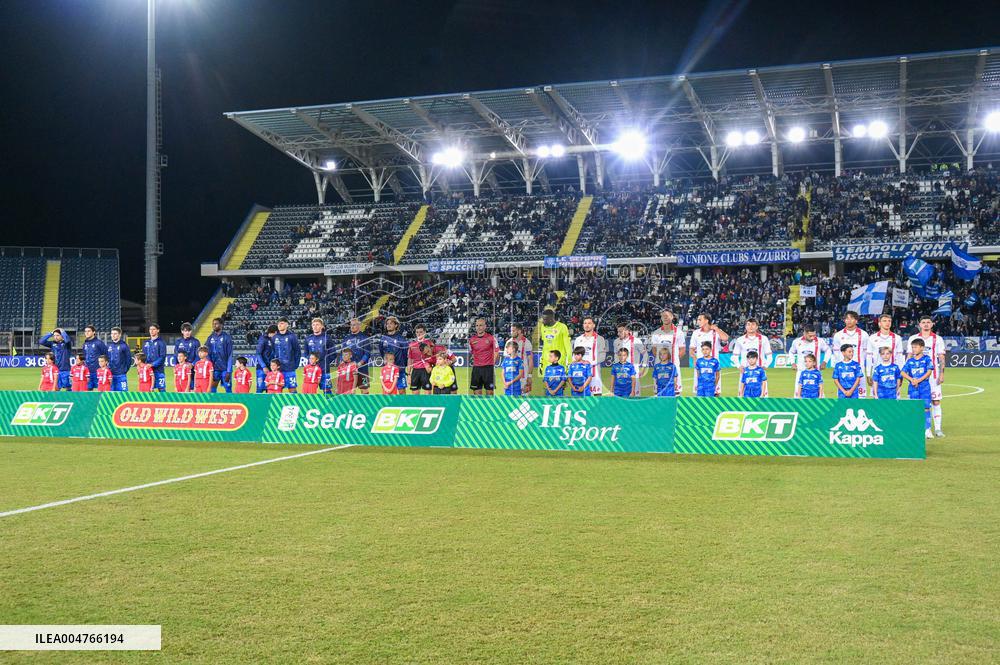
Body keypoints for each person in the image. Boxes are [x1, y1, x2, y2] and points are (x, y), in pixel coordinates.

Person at [907, 316, 946, 437]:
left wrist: (942, 373)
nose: (926, 324)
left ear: (932, 324)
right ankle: (920, 428)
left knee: (935, 401)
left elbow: (941, 358)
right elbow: (909, 356)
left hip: (933, 377)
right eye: (923, 322)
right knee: (917, 403)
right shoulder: (913, 338)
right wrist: (909, 376)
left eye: (928, 322)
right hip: (916, 378)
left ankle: (938, 429)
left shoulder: (937, 339)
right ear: (919, 324)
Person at [902, 338, 935, 439]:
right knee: (914, 408)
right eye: (912, 347)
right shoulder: (910, 361)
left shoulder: (927, 359)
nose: (913, 349)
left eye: (915, 347)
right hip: (913, 387)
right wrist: (912, 380)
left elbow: (929, 371)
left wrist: (918, 380)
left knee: (925, 407)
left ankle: (927, 429)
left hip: (924, 387)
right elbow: (903, 372)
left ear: (922, 348)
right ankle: (916, 429)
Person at [688, 314, 728, 396]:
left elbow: (725, 338)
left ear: (706, 320)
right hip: (700, 367)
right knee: (699, 393)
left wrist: (716, 328)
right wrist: (694, 358)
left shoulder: (715, 332)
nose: (697, 321)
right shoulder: (696, 333)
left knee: (716, 394)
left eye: (700, 319)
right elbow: (691, 350)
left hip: (713, 367)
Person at [866, 314, 905, 398]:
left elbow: (900, 358)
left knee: (894, 401)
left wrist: (901, 373)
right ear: (879, 323)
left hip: (893, 374)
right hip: (877, 373)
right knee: (876, 399)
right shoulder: (872, 338)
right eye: (884, 321)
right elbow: (869, 357)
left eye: (889, 321)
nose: (887, 323)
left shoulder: (897, 338)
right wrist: (868, 374)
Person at [833, 311, 870, 397]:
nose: (849, 320)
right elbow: (836, 353)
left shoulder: (864, 335)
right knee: (843, 397)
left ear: (856, 321)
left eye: (851, 318)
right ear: (844, 320)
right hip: (843, 371)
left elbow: (866, 353)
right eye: (847, 318)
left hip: (859, 371)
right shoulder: (838, 335)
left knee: (861, 397)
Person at [648, 309, 685, 394]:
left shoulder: (679, 332)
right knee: (658, 392)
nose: (665, 317)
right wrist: (662, 361)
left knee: (676, 392)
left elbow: (682, 350)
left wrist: (672, 361)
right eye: (663, 316)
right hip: (660, 367)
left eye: (667, 316)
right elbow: (654, 350)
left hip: (674, 367)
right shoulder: (656, 333)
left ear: (672, 317)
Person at [789, 325, 830, 394]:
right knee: (798, 395)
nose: (812, 337)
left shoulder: (820, 341)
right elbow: (791, 352)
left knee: (819, 395)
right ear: (804, 333)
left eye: (814, 335)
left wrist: (825, 362)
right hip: (801, 372)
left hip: (815, 373)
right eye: (810, 336)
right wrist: (792, 363)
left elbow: (828, 350)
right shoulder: (796, 342)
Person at [573, 317, 606, 397]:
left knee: (596, 396)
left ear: (593, 325)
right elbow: (574, 356)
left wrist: (590, 363)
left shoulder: (600, 339)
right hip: (580, 372)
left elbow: (603, 356)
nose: (586, 325)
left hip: (594, 372)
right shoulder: (578, 339)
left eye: (589, 323)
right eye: (585, 323)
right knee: (580, 395)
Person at [613, 322, 647, 396]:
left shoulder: (636, 341)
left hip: (634, 373)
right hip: (620, 373)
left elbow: (645, 354)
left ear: (628, 331)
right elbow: (616, 356)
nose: (618, 333)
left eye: (621, 331)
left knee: (635, 396)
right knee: (621, 396)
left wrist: (643, 368)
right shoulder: (616, 342)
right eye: (618, 331)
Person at [305, 318, 336, 395]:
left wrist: (325, 362)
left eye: (317, 325)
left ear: (322, 326)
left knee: (327, 391)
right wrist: (310, 364)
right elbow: (306, 354)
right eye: (313, 325)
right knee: (310, 391)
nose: (315, 326)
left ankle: (328, 406)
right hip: (312, 371)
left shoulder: (327, 338)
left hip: (324, 370)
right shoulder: (308, 339)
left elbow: (333, 353)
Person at [469, 317, 500, 396]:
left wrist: (491, 363)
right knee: (476, 393)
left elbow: (496, 351)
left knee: (490, 393)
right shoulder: (472, 340)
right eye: (477, 325)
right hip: (476, 369)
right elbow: (472, 352)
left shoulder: (491, 338)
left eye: (481, 325)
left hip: (488, 368)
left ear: (485, 326)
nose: (478, 327)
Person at [342, 318, 372, 395]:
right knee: (350, 391)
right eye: (351, 325)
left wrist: (359, 364)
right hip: (350, 371)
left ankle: (365, 406)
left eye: (354, 325)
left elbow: (367, 354)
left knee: (365, 391)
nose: (352, 326)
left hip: (362, 370)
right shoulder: (346, 339)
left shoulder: (365, 338)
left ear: (359, 325)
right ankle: (351, 407)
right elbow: (343, 354)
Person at [537, 308, 571, 374]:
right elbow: (545, 345)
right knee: (548, 383)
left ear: (551, 319)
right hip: (547, 362)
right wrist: (541, 361)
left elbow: (567, 345)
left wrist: (569, 361)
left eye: (545, 319)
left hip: (559, 361)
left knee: (561, 382)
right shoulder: (543, 328)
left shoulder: (562, 327)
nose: (543, 321)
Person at [379, 316, 408, 393]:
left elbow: (405, 354)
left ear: (396, 325)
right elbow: (381, 352)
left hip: (400, 369)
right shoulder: (383, 338)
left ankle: (402, 405)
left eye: (391, 323)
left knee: (401, 391)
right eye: (387, 323)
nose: (388, 325)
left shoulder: (401, 338)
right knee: (387, 392)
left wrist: (402, 366)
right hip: (388, 370)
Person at [205, 318, 234, 393]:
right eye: (213, 324)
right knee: (212, 389)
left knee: (228, 388)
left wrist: (229, 371)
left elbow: (230, 354)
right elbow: (206, 352)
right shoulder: (210, 338)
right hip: (214, 369)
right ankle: (214, 403)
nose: (214, 325)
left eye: (216, 323)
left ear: (221, 325)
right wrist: (210, 366)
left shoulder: (227, 337)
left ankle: (229, 403)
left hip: (225, 369)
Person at [273, 317, 301, 393]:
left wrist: (295, 365)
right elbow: (273, 352)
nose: (279, 325)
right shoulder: (275, 337)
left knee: (292, 389)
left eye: (281, 323)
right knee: (278, 388)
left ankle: (294, 404)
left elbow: (297, 351)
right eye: (278, 324)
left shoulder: (292, 336)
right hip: (278, 369)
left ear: (287, 325)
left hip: (290, 369)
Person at [407, 324, 435, 394]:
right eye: (417, 332)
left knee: (428, 393)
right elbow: (410, 360)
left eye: (421, 332)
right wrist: (409, 374)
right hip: (415, 371)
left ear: (425, 332)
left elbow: (434, 358)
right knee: (415, 394)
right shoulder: (412, 344)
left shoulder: (429, 343)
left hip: (426, 370)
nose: (419, 334)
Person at [80, 325, 107, 391]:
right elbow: (84, 357)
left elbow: (106, 355)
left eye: (89, 331)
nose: (86, 333)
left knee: (101, 391)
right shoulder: (85, 344)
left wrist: (103, 368)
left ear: (93, 332)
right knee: (88, 391)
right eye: (85, 331)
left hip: (98, 372)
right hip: (88, 372)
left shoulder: (99, 343)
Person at [105, 327, 132, 392]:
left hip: (121, 374)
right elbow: (107, 358)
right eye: (112, 333)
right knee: (111, 394)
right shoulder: (109, 345)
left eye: (115, 333)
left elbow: (129, 360)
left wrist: (124, 370)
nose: (113, 335)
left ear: (119, 335)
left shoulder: (124, 345)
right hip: (111, 374)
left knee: (123, 394)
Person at [509, 323, 534, 395]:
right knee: (512, 398)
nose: (511, 333)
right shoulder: (509, 342)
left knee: (524, 398)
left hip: (524, 376)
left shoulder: (527, 342)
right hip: (512, 376)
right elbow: (506, 360)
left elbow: (531, 360)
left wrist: (529, 376)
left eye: (513, 331)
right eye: (511, 331)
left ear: (519, 331)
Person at [175, 323, 200, 391]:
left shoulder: (196, 342)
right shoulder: (178, 342)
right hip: (181, 369)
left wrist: (192, 364)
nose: (187, 332)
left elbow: (198, 356)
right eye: (185, 331)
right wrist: (175, 365)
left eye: (189, 331)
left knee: (192, 389)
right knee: (181, 388)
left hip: (192, 369)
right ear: (182, 331)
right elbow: (176, 355)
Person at [142, 324, 167, 393]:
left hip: (159, 370)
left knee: (161, 389)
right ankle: (150, 404)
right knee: (148, 389)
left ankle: (164, 403)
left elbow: (162, 357)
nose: (151, 331)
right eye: (150, 329)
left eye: (154, 329)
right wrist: (142, 366)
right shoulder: (146, 343)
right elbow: (143, 356)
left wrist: (152, 364)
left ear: (158, 330)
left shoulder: (161, 342)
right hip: (148, 370)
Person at [255, 325, 278, 394]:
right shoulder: (263, 339)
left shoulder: (274, 340)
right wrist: (264, 366)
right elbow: (258, 353)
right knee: (260, 389)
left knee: (271, 389)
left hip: (272, 368)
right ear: (275, 332)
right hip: (261, 368)